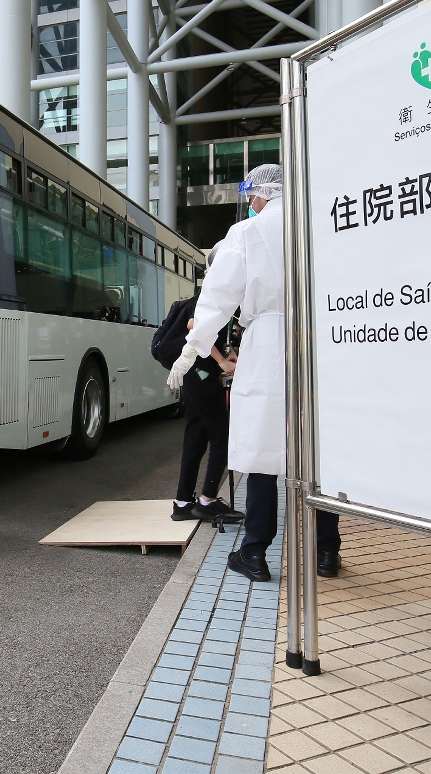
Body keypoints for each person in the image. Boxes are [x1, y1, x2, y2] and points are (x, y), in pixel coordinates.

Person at [168, 163, 343, 581]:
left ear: (263, 194)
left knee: (263, 450)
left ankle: (255, 553)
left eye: (251, 197)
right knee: (319, 449)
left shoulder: (247, 233)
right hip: (320, 339)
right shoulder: (319, 227)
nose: (250, 204)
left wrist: (190, 352)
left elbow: (216, 298)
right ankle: (327, 552)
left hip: (267, 342)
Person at [170, 249, 243, 524]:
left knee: (196, 436)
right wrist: (222, 361)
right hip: (200, 373)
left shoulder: (210, 290)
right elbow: (195, 327)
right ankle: (207, 500)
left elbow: (211, 330)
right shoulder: (214, 292)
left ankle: (183, 503)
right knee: (222, 436)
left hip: (195, 372)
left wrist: (228, 353)